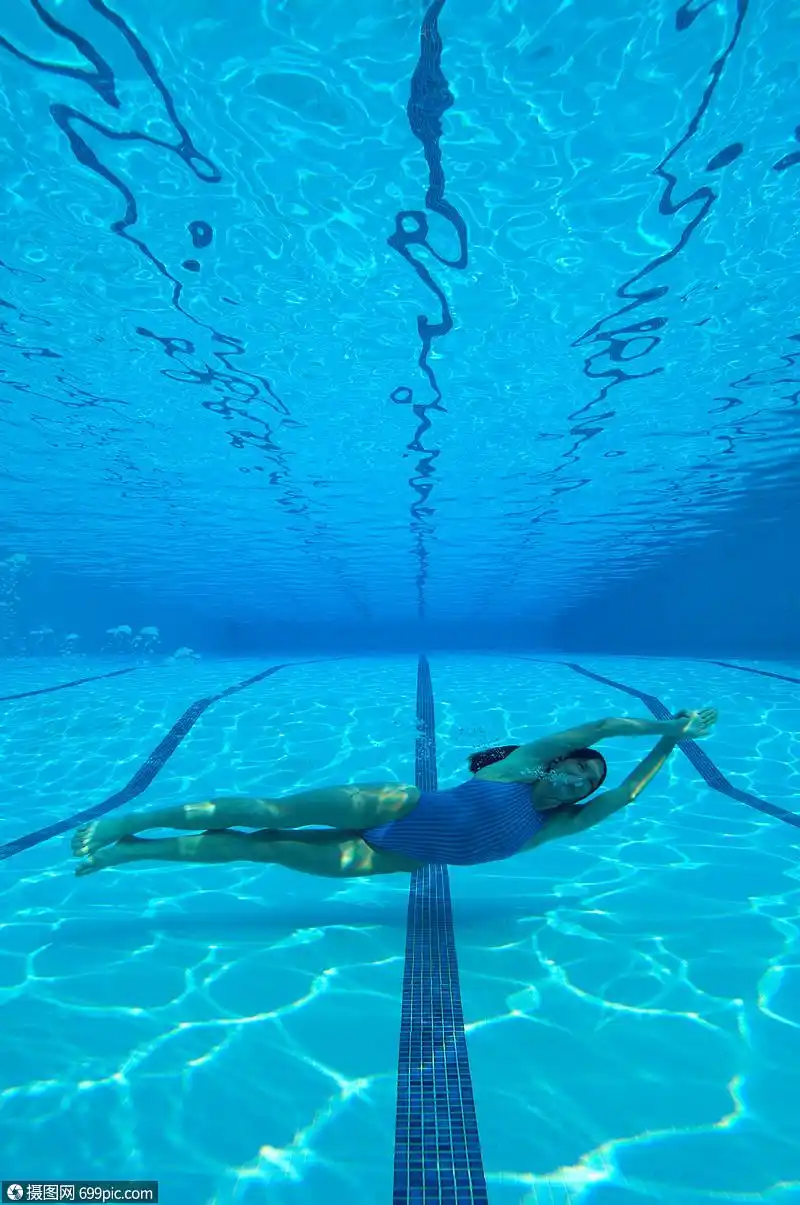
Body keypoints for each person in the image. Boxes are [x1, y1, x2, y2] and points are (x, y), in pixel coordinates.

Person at [71, 706, 718, 878]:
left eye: (590, 781)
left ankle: (128, 853)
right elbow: (604, 728)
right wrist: (669, 724)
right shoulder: (518, 768)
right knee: (270, 811)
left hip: (395, 856)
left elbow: (627, 796)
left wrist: (669, 750)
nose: (583, 778)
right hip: (394, 805)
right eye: (578, 768)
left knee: (263, 846)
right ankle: (133, 817)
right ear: (553, 766)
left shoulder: (554, 825)